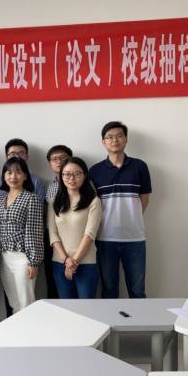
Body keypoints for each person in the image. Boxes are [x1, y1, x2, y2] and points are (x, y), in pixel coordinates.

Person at [89, 122, 152, 299]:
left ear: (126, 139)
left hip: (135, 239)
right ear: (103, 142)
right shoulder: (95, 171)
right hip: (104, 239)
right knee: (109, 290)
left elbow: (144, 199)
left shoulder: (140, 166)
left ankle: (138, 318)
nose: (114, 140)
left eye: (119, 135)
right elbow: (92, 206)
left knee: (137, 290)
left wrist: (132, 218)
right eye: (109, 137)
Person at [0, 158, 44, 314]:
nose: (13, 176)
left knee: (26, 302)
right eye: (9, 172)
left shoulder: (31, 198)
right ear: (4, 176)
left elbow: (35, 232)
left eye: (18, 172)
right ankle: (18, 330)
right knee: (14, 303)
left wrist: (33, 262)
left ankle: (31, 329)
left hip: (23, 257)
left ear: (25, 176)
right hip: (2, 256)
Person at [48, 157, 102, 299]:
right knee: (66, 308)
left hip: (86, 263)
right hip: (60, 263)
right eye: (67, 174)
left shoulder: (93, 201)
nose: (71, 178)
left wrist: (73, 262)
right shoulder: (54, 202)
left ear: (84, 175)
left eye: (77, 174)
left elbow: (90, 234)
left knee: (86, 308)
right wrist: (66, 260)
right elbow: (52, 234)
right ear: (61, 176)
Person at [43, 145, 73, 299]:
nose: (59, 162)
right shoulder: (49, 187)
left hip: (76, 239)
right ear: (50, 163)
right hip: (52, 239)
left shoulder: (84, 184)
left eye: (63, 158)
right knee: (53, 281)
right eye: (55, 159)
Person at [0, 139, 46, 206]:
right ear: (7, 158)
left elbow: (40, 208)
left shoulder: (36, 181)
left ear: (27, 157)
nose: (17, 156)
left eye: (21, 153)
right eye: (12, 154)